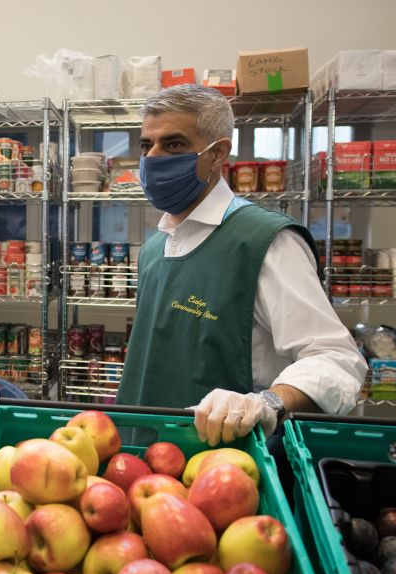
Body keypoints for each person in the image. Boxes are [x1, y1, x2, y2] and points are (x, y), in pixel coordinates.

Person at [116, 84, 367, 446]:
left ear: (217, 154)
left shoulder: (264, 241)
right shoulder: (155, 248)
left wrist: (265, 403)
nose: (153, 158)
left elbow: (338, 360)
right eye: (145, 145)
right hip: (143, 456)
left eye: (173, 145)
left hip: (225, 465)